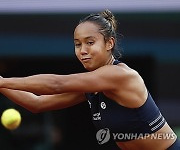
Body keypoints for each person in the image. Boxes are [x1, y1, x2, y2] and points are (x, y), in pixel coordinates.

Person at [0, 9, 179, 150]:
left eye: (90, 42)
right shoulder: (93, 86)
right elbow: (37, 103)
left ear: (109, 43)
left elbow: (56, 84)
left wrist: (3, 82)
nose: (82, 50)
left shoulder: (120, 76)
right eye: (78, 44)